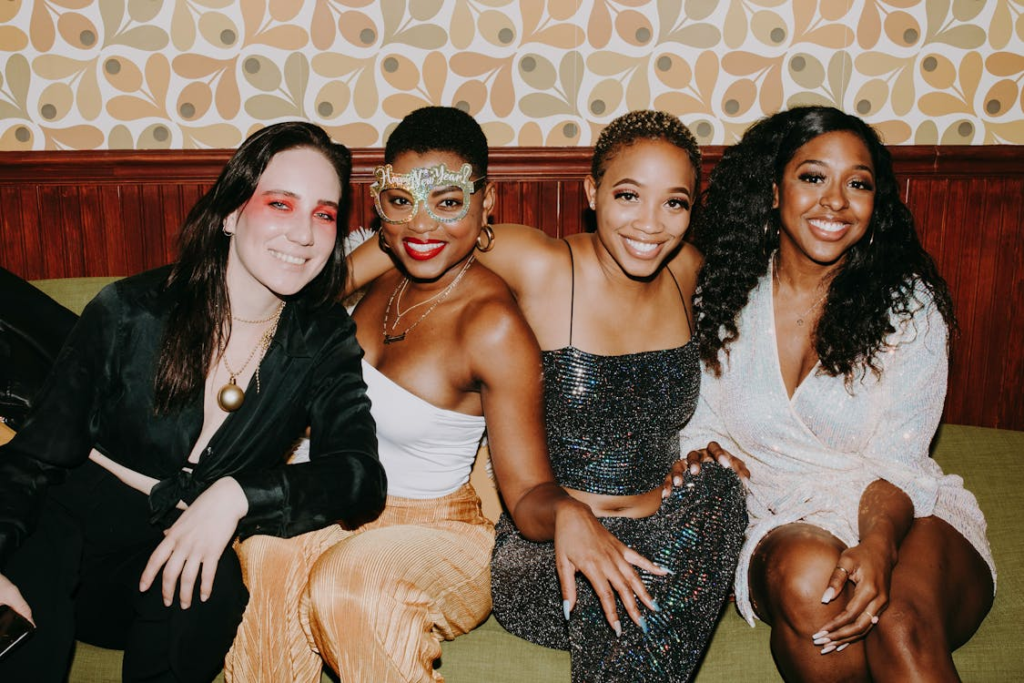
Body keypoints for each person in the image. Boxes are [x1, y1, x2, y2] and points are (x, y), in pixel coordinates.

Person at [226, 106, 670, 683]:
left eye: (449, 202)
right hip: (332, 501)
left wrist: (568, 513)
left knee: (351, 579)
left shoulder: (492, 325)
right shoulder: (384, 264)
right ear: (382, 200)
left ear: (485, 204)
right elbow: (302, 292)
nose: (423, 226)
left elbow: (528, 486)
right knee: (263, 552)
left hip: (434, 530)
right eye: (402, 201)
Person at [348, 109, 748, 682]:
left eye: (675, 203)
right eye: (629, 195)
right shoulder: (537, 263)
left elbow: (750, 375)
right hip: (543, 547)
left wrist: (715, 447)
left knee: (721, 493)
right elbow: (405, 240)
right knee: (626, 599)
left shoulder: (692, 273)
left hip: (660, 540)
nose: (650, 224)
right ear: (592, 191)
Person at [0, 121, 385, 683]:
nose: (304, 234)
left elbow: (359, 474)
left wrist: (235, 494)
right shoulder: (131, 311)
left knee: (211, 588)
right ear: (231, 214)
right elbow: (33, 458)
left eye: (324, 214)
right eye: (281, 204)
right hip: (65, 520)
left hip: (157, 562)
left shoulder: (322, 338)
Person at [672, 105, 995, 681]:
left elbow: (903, 463)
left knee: (897, 620)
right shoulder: (721, 294)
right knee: (808, 579)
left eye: (859, 184)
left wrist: (878, 545)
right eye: (813, 176)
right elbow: (701, 423)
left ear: (876, 205)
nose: (836, 201)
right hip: (781, 514)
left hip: (904, 510)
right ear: (775, 192)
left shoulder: (908, 308)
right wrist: (702, 457)